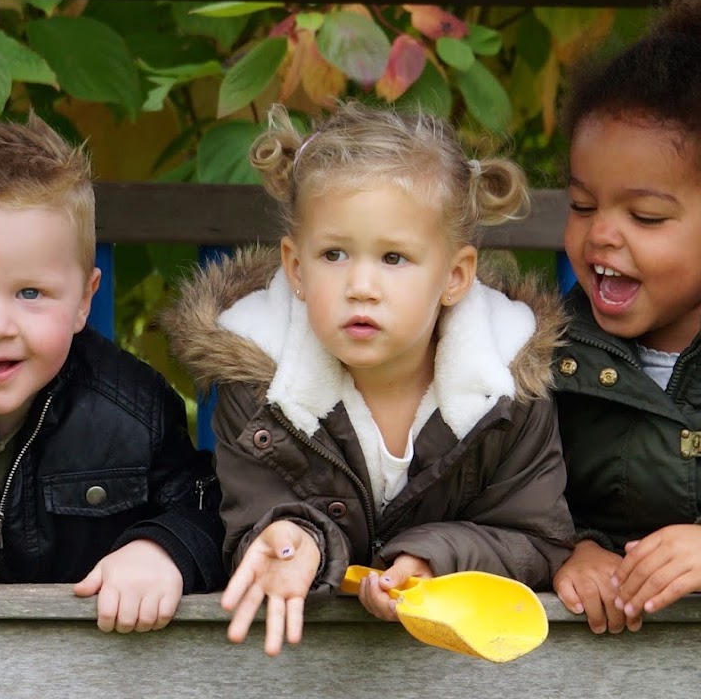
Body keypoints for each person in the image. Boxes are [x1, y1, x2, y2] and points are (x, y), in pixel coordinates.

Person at [162, 100, 574, 655]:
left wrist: (434, 558)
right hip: (301, 663)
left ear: (455, 276)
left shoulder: (505, 387)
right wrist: (289, 537)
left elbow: (539, 540)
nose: (360, 285)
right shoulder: (258, 382)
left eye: (394, 258)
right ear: (296, 268)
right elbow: (253, 518)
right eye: (333, 254)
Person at [0, 114, 225, 633]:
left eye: (30, 293)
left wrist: (161, 550)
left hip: (86, 673)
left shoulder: (132, 410)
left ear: (83, 301)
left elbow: (206, 508)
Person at [552, 0, 701, 634]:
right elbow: (513, 492)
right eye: (583, 206)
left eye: (645, 217)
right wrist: (570, 549)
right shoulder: (548, 353)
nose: (602, 236)